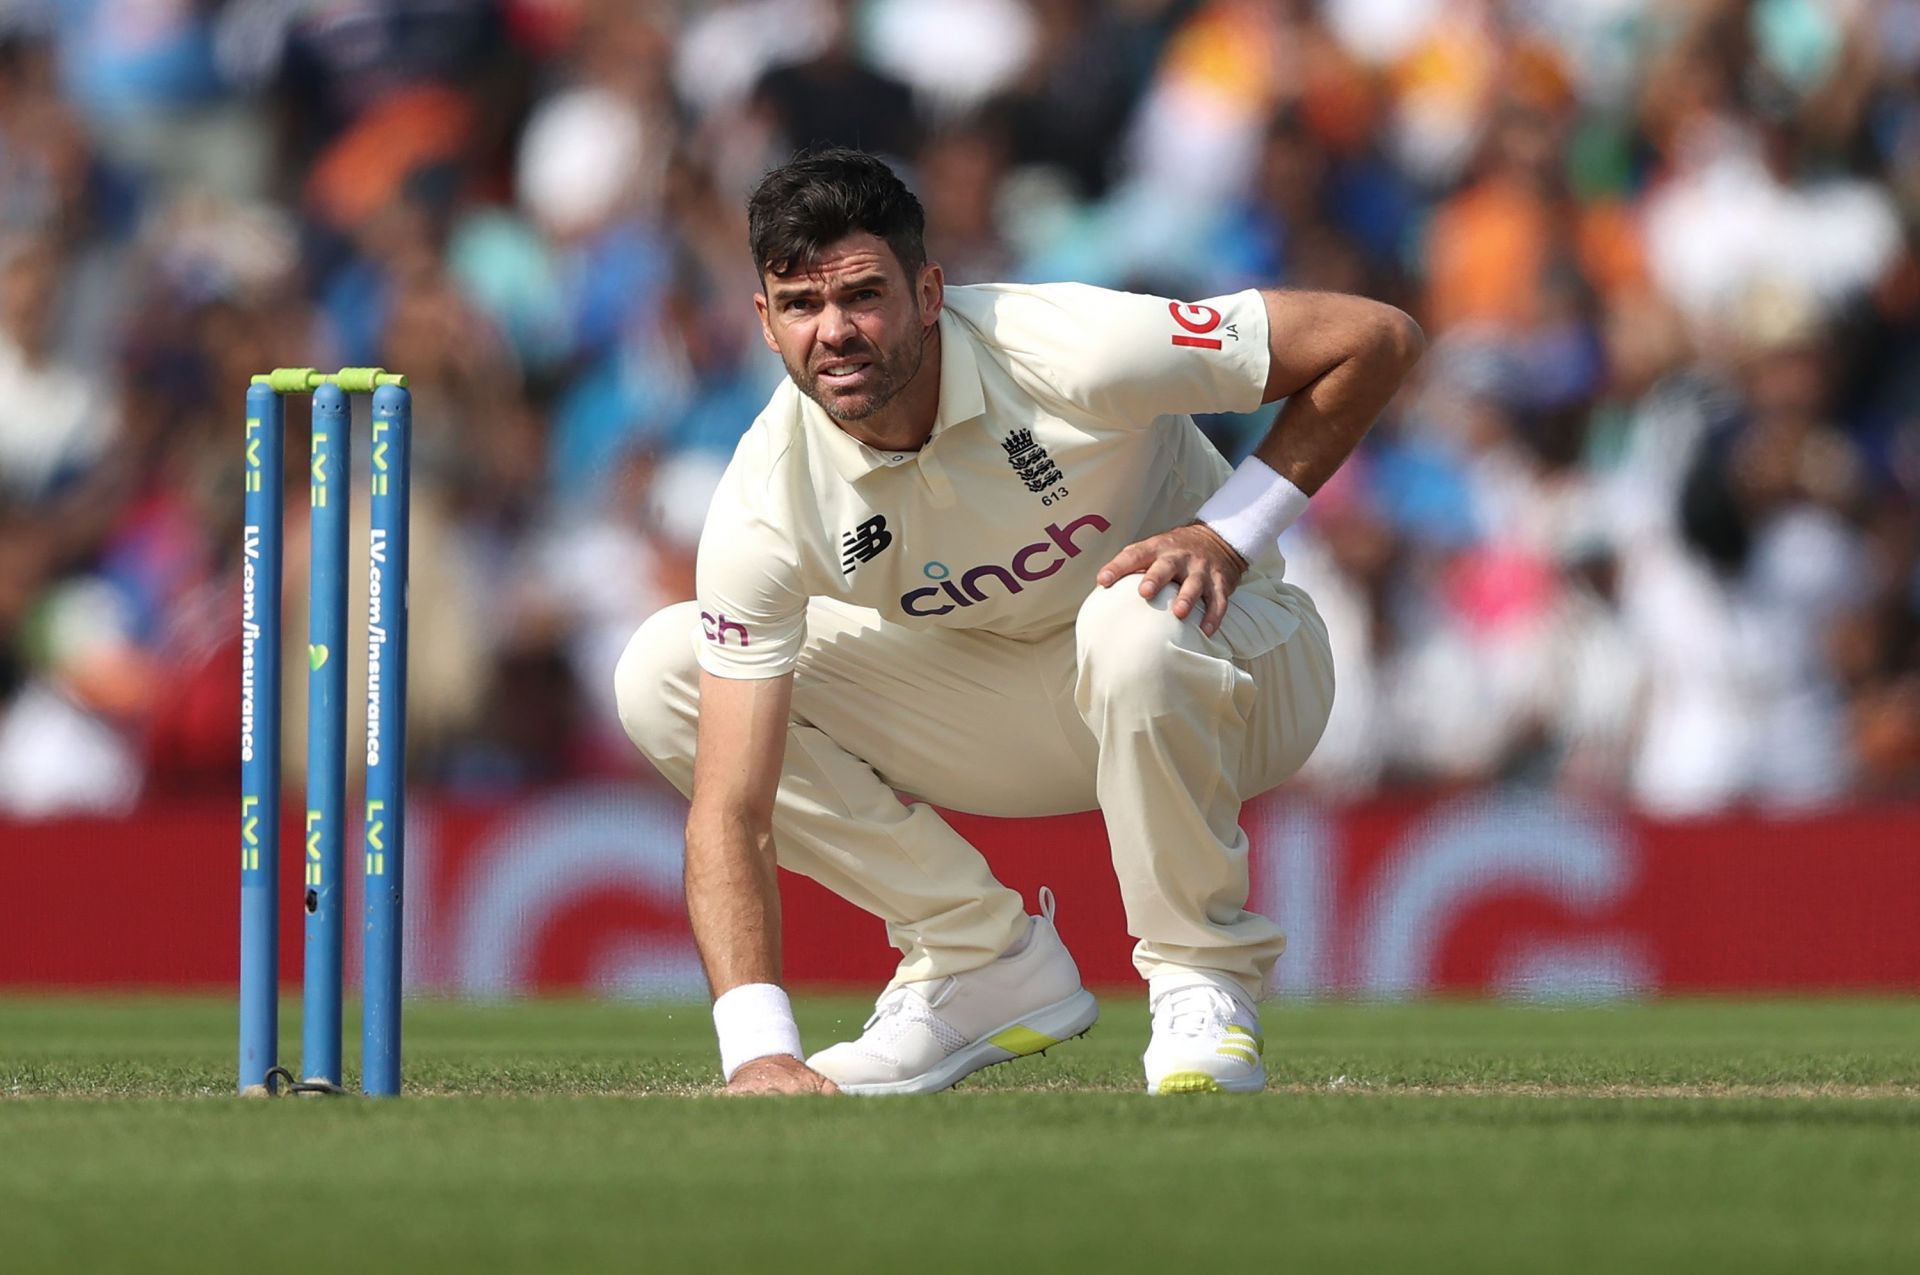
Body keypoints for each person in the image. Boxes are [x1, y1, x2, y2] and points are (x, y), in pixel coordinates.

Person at [616, 148, 1422, 1096]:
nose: (833, 333)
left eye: (863, 296)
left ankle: (1202, 980)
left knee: (1132, 621)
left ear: (927, 292)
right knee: (664, 667)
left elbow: (1376, 337)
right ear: (764, 321)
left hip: (1240, 669)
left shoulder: (1068, 346)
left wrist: (1226, 533)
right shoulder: (766, 497)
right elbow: (731, 807)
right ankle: (979, 956)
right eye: (800, 306)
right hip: (1015, 706)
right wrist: (758, 1049)